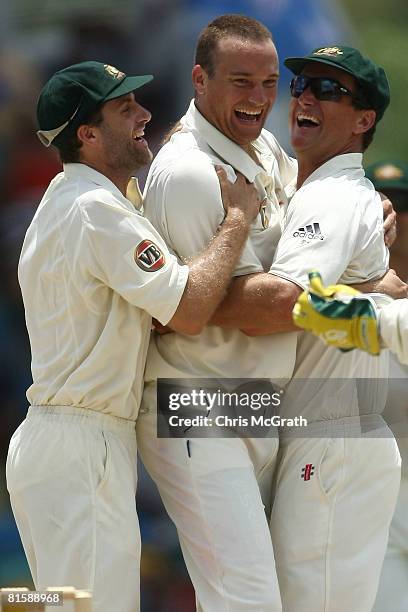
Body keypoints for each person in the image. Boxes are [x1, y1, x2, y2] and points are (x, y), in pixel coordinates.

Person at [137, 14, 404, 612]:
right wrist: (179, 302)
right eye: (241, 81)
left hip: (263, 407)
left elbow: (329, 198)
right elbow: (216, 311)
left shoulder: (265, 151)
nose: (265, 97)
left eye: (269, 82)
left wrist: (367, 216)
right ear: (200, 80)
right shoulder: (186, 170)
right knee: (249, 601)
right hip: (198, 401)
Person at [5, 61, 261, 612]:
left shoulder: (70, 200)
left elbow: (158, 313)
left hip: (62, 441)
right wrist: (238, 218)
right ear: (87, 134)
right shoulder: (97, 211)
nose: (144, 113)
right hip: (82, 442)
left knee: (71, 606)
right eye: (125, 109)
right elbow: (189, 310)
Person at [211, 45, 407, 611]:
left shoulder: (335, 196)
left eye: (328, 90)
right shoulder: (311, 189)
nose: (304, 97)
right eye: (301, 85)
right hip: (314, 428)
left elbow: (278, 307)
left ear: (364, 120)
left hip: (332, 433)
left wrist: (177, 299)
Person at [294, 159, 408, 611]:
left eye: (401, 208)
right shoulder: (320, 268)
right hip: (371, 520)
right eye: (382, 206)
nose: (391, 218)